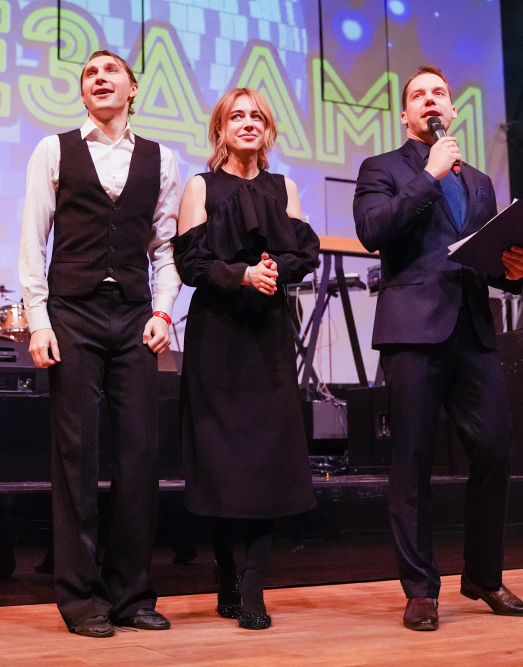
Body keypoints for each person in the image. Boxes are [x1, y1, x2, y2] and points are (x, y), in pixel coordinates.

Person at [352, 65, 523, 631]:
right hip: (413, 329)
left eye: (439, 94)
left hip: (473, 330)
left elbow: (485, 254)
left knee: (495, 447)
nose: (430, 101)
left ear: (453, 111)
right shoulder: (382, 168)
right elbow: (372, 230)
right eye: (418, 95)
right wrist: (428, 176)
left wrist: (513, 269)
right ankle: (420, 590)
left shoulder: (479, 181)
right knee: (412, 459)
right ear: (405, 115)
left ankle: (483, 576)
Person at [19, 50, 180, 638]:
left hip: (135, 316)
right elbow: (33, 239)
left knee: (139, 455)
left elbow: (165, 248)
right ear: (83, 92)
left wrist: (163, 310)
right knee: (77, 457)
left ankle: (132, 594)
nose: (100, 78)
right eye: (90, 73)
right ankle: (83, 598)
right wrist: (38, 320)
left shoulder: (161, 159)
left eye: (111, 72)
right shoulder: (54, 149)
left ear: (132, 88)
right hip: (73, 314)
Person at [173, 88, 320, 630]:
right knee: (221, 461)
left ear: (268, 129)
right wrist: (241, 275)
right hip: (217, 337)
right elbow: (190, 263)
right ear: (220, 129)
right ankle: (226, 575)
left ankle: (254, 585)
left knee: (268, 460)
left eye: (256, 116)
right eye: (236, 116)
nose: (247, 123)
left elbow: (304, 253)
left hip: (268, 337)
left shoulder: (284, 188)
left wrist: (272, 271)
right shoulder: (200, 186)